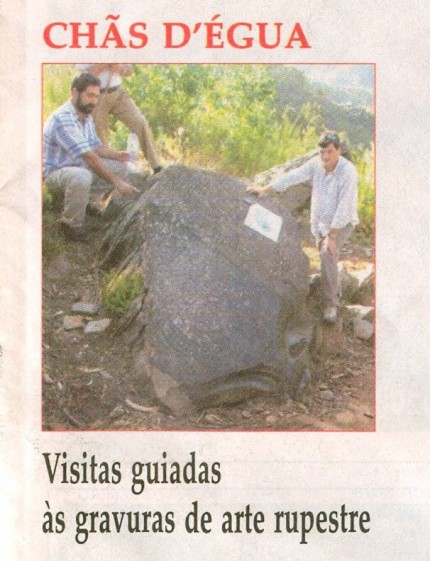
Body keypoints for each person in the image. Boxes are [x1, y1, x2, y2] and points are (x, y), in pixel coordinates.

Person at [247, 131, 359, 323]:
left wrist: (332, 236)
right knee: (326, 259)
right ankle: (335, 291)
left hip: (341, 223)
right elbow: (294, 175)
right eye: (322, 152)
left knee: (327, 253)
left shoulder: (348, 172)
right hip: (320, 221)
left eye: (330, 152)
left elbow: (345, 206)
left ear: (338, 151)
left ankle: (330, 305)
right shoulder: (316, 163)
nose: (325, 156)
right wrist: (266, 189)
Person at [43, 72, 138, 242]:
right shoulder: (63, 119)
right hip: (56, 174)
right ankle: (71, 225)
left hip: (78, 168)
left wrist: (119, 155)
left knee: (120, 167)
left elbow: (95, 147)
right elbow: (89, 157)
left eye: (96, 96)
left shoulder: (85, 116)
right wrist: (118, 183)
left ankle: (83, 202)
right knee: (82, 176)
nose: (93, 101)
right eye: (89, 95)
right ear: (75, 92)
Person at [76, 64, 163, 174]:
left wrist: (121, 69)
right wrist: (105, 64)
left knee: (140, 122)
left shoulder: (117, 48)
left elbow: (129, 71)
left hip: (118, 93)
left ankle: (156, 166)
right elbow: (84, 77)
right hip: (96, 96)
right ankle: (106, 175)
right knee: (99, 138)